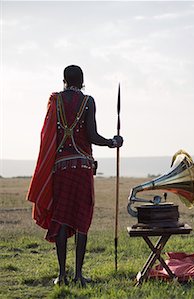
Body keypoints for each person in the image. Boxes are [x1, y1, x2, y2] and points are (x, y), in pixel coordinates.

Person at [27, 65, 123, 286]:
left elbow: (47, 136)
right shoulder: (88, 101)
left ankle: (62, 276)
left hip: (60, 169)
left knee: (60, 219)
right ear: (82, 81)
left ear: (64, 80)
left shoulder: (55, 101)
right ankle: (78, 275)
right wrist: (112, 142)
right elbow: (91, 135)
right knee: (81, 220)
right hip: (82, 169)